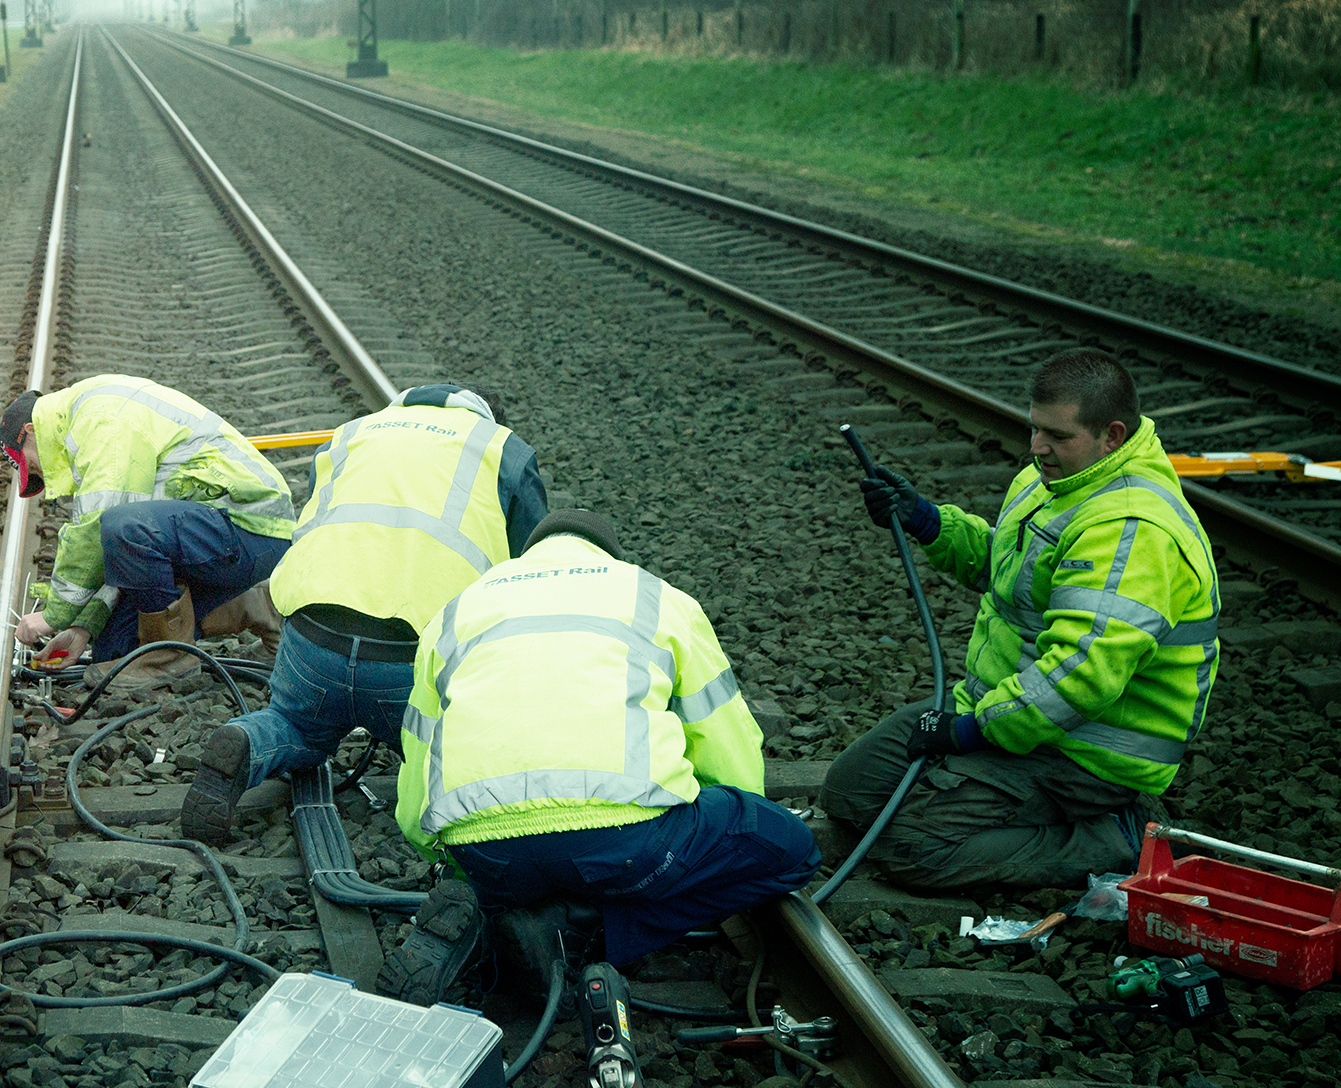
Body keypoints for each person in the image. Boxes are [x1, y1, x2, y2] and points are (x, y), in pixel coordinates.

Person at [377, 510, 820, 1005]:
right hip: (627, 845)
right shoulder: (657, 597)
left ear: (530, 554)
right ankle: (585, 928)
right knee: (794, 850)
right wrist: (731, 827)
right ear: (610, 556)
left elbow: (419, 749)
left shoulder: (456, 610)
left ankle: (495, 917)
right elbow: (724, 743)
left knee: (532, 868)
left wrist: (448, 860)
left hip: (487, 852)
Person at [823, 347, 1221, 890]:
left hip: (1086, 750)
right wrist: (926, 520)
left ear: (1112, 436)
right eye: (1034, 428)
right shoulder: (1055, 481)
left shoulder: (1132, 531)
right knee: (850, 793)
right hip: (1010, 709)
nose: (1037, 447)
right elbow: (1008, 570)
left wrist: (971, 731)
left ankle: (1116, 837)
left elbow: (1079, 674)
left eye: (1057, 435)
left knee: (912, 849)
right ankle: (994, 794)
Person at [181, 383, 548, 845]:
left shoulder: (352, 434)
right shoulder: (503, 451)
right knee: (446, 749)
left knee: (298, 728)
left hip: (314, 643)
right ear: (487, 420)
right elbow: (533, 572)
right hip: (410, 664)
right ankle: (431, 767)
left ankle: (250, 742)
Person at [0, 375, 294, 672]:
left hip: (251, 522)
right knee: (115, 650)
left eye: (30, 465)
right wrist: (84, 627)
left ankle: (170, 662)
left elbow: (99, 531)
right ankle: (255, 602)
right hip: (212, 532)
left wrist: (53, 616)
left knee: (123, 525)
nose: (38, 472)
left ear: (31, 431)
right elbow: (115, 552)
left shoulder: (101, 420)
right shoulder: (87, 418)